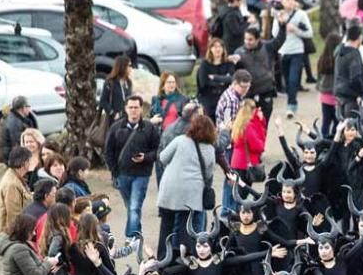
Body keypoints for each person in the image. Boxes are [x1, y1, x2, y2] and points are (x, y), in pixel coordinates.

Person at [104, 95, 160, 242]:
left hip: (142, 174)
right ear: (126, 109)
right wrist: (114, 171)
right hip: (122, 174)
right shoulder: (116, 128)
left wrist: (146, 157)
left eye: (136, 107)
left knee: (135, 206)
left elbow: (157, 151)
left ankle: (131, 236)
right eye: (131, 107)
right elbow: (108, 152)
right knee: (130, 207)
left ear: (141, 109)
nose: (133, 111)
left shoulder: (149, 128)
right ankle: (137, 231)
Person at [159, 113, 217, 246]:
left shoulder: (180, 140)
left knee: (166, 227)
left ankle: (163, 258)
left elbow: (162, 157)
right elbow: (208, 175)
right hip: (191, 195)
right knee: (185, 229)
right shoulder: (210, 150)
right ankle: (179, 256)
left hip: (169, 190)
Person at [271, 0, 314, 118]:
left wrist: (295, 29)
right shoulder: (279, 15)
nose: (290, 1)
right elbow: (274, 34)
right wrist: (281, 24)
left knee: (294, 79)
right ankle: (291, 100)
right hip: (283, 51)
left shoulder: (301, 15)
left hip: (297, 51)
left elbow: (309, 33)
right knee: (287, 80)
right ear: (282, 2)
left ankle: (291, 105)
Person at [234, 26, 285, 122]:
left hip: (265, 90)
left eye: (250, 39)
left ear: (257, 40)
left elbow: (279, 41)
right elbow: (236, 74)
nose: (247, 42)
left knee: (263, 123)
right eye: (245, 39)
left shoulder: (267, 47)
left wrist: (282, 26)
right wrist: (234, 63)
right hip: (248, 93)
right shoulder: (239, 52)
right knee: (248, 123)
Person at [227, 99, 267, 215]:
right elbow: (259, 146)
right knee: (242, 196)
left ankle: (235, 216)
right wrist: (261, 122)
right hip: (245, 165)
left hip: (236, 162)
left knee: (237, 194)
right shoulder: (249, 126)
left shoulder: (238, 124)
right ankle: (238, 219)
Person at [0, 146, 34, 235]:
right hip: (11, 234)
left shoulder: (15, 177)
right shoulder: (12, 184)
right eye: (29, 160)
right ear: (24, 162)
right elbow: (13, 215)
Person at [197, 38, 238, 121]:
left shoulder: (228, 64)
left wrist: (216, 78)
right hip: (209, 101)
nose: (217, 49)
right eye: (215, 47)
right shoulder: (205, 65)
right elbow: (203, 83)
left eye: (220, 47)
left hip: (226, 101)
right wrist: (223, 81)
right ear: (210, 49)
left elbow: (232, 79)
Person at [334, 24, 363, 120]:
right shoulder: (354, 54)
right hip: (352, 97)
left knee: (342, 124)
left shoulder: (339, 51)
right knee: (351, 125)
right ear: (359, 38)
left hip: (339, 94)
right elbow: (355, 77)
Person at [316, 32, 342, 137]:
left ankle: (323, 140)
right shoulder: (339, 59)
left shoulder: (322, 59)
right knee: (337, 121)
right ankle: (334, 140)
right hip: (336, 96)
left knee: (326, 122)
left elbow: (318, 77)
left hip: (325, 96)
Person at [99, 55, 133, 125]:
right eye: (129, 65)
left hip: (127, 119)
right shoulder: (110, 82)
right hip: (114, 121)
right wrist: (113, 113)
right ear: (122, 66)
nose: (131, 68)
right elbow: (103, 101)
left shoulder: (128, 83)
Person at [2, 97, 37, 165]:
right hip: (14, 160)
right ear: (22, 108)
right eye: (28, 106)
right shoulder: (15, 123)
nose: (29, 109)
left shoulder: (18, 118)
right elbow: (18, 144)